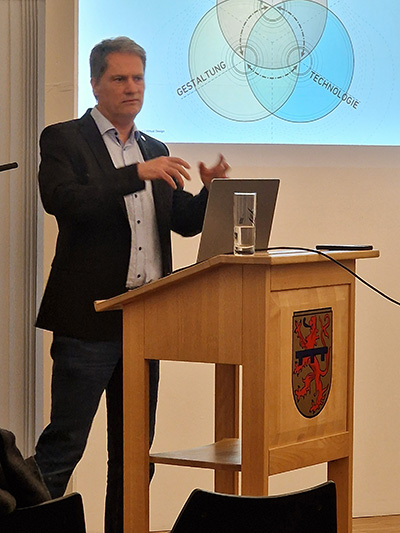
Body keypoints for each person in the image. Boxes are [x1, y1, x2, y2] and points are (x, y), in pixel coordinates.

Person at [34, 36, 229, 532]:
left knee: (133, 454)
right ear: (95, 83)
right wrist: (134, 173)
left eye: (138, 78)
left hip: (145, 321)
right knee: (64, 447)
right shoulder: (65, 139)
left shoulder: (154, 149)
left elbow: (181, 222)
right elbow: (64, 201)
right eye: (119, 78)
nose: (131, 88)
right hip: (89, 321)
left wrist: (209, 192)